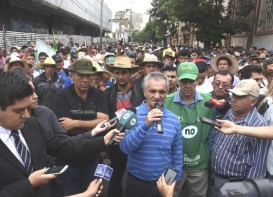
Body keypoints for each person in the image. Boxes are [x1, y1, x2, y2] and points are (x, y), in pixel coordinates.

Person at [0, 71, 120, 197]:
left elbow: (64, 146)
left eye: (26, 108)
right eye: (18, 110)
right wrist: (30, 183)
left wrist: (103, 141)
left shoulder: (32, 124)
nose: (25, 115)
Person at [119, 72, 183, 197]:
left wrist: (169, 183)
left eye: (162, 92)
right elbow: (124, 148)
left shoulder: (174, 120)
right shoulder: (130, 114)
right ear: (144, 92)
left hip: (162, 184)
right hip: (136, 182)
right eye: (152, 91)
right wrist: (145, 125)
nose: (157, 96)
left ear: (167, 93)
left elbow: (177, 157)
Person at [52, 58, 109, 195]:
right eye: (80, 75)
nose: (85, 80)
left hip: (92, 154)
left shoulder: (98, 95)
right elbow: (64, 127)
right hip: (69, 156)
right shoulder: (61, 95)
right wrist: (93, 127)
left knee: (92, 191)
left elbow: (104, 120)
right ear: (71, 75)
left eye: (88, 75)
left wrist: (76, 124)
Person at [209, 79, 270, 196]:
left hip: (237, 184)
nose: (233, 100)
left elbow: (258, 164)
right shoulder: (230, 113)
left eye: (240, 97)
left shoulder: (258, 125)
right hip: (215, 179)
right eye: (233, 95)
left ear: (253, 102)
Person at [164, 62, 213, 197]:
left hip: (199, 164)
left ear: (198, 80)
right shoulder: (166, 102)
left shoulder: (208, 101)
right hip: (172, 164)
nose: (187, 85)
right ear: (177, 80)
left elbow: (213, 132)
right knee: (168, 193)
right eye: (183, 81)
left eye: (191, 81)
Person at [104, 56, 142, 197]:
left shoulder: (141, 91)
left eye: (124, 73)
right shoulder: (107, 93)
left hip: (136, 139)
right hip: (115, 141)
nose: (120, 76)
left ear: (131, 73)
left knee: (136, 178)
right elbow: (105, 119)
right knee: (115, 178)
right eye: (117, 72)